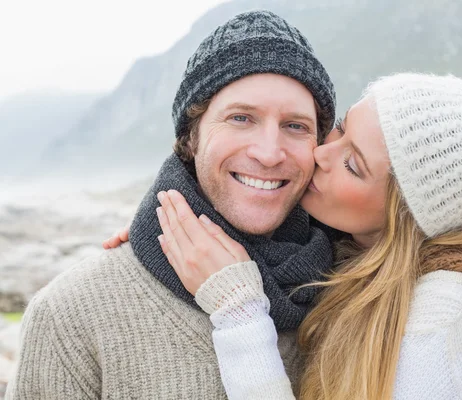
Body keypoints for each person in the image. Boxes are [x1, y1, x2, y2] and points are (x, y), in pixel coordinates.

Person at [107, 73, 462, 399]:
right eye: (340, 130)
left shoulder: (438, 320)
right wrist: (170, 226)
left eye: (352, 164)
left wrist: (238, 310)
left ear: (402, 214)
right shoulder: (358, 248)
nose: (321, 154)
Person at [6, 10, 336, 399]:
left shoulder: (359, 287)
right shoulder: (72, 313)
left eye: (295, 126)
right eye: (241, 118)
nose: (268, 153)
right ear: (191, 137)